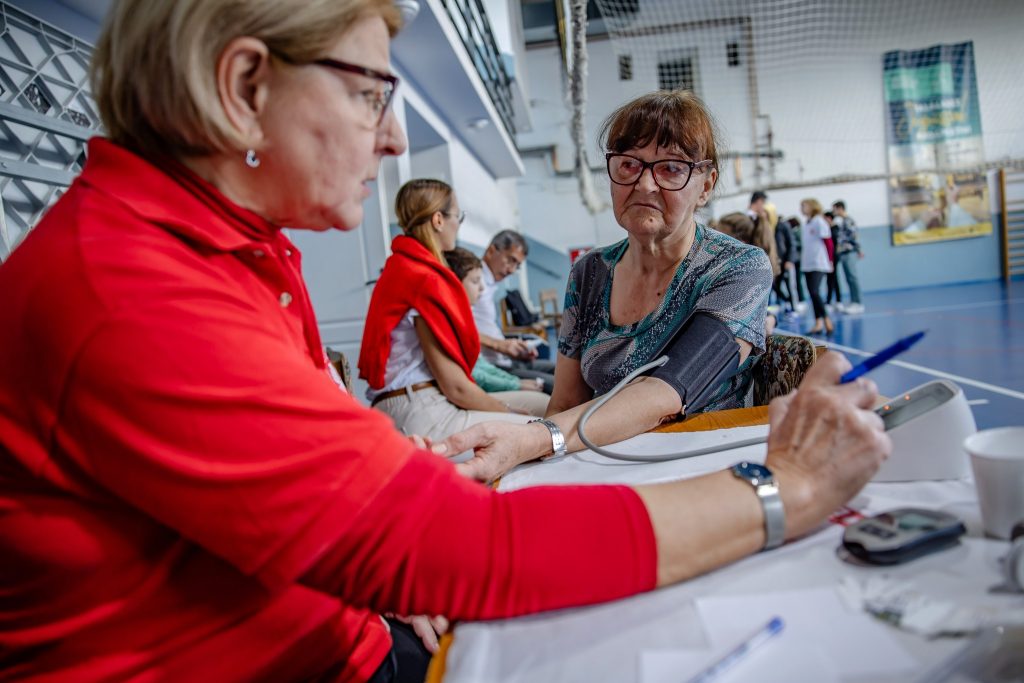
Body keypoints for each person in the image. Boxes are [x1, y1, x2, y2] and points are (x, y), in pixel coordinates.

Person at [0, 4, 892, 682]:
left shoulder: (233, 256)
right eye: (370, 92)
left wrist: (391, 548)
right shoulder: (136, 295)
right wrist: (790, 488)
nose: (392, 135)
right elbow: (466, 545)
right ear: (242, 89)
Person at [448, 91, 775, 481]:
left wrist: (534, 439)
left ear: (706, 186)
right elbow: (567, 399)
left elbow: (666, 392)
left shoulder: (737, 268)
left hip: (703, 472)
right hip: (604, 465)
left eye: (671, 168)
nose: (644, 184)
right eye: (628, 164)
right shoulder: (589, 273)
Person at [359, 179, 539, 439]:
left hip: (411, 401)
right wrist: (507, 412)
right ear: (438, 220)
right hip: (420, 410)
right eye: (458, 216)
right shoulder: (424, 278)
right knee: (537, 430)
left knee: (540, 407)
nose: (458, 224)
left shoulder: (401, 266)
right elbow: (456, 388)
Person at [445, 246, 548, 415]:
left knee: (554, 380)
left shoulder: (461, 317)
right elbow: (474, 375)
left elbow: (479, 365)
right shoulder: (450, 321)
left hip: (493, 370)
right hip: (484, 380)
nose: (482, 288)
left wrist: (515, 382)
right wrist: (516, 385)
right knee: (548, 395)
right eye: (475, 281)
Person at [471, 229, 556, 393]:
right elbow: (459, 329)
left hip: (504, 358)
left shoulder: (490, 284)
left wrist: (513, 348)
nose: (511, 270)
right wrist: (500, 345)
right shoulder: (474, 281)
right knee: (557, 386)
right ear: (491, 251)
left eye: (516, 265)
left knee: (562, 373)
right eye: (510, 260)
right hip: (492, 364)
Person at [714, 212, 779, 334]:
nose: (715, 240)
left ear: (741, 242)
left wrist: (770, 319)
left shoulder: (745, 272)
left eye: (721, 236)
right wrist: (772, 318)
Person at [800, 199, 834, 335]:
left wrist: (830, 260)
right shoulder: (806, 223)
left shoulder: (819, 221)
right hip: (807, 263)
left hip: (818, 262)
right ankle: (818, 322)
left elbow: (828, 242)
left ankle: (826, 320)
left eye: (804, 206)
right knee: (812, 293)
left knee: (815, 291)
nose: (801, 208)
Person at [832, 200, 864, 315]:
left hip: (849, 252)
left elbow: (854, 236)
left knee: (852, 277)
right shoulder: (843, 222)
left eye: (834, 209)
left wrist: (859, 249)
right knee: (849, 278)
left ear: (840, 208)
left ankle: (858, 302)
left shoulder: (848, 221)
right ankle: (853, 301)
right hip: (843, 253)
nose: (833, 212)